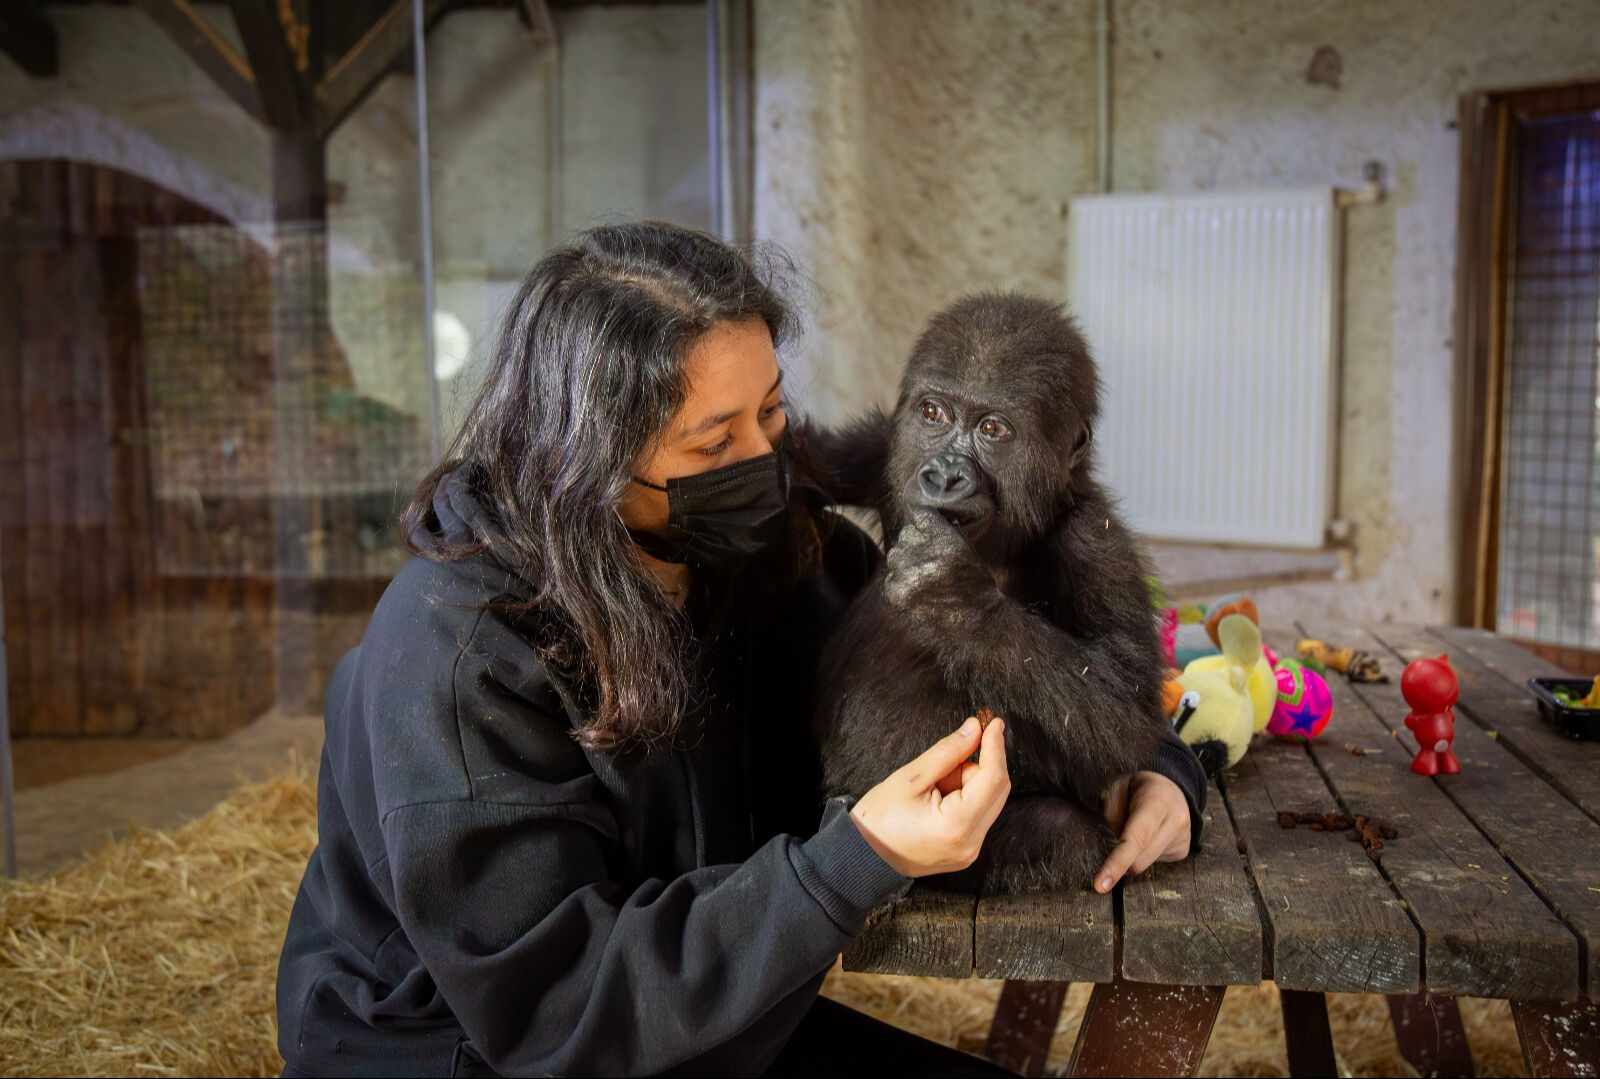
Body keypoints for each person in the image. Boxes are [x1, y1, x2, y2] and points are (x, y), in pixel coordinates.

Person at [275, 221, 1203, 1077]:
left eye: (771, 413)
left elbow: (1032, 671)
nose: (766, 464)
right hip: (476, 1051)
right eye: (715, 439)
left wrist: (1158, 768)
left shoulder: (772, 558)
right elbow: (552, 1007)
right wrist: (861, 854)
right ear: (584, 458)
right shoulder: (457, 654)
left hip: (696, 1020)